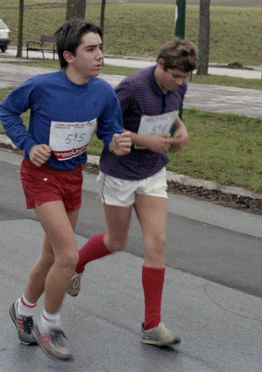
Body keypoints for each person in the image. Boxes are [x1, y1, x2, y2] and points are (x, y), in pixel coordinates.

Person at [0, 19, 132, 362]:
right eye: (91, 49)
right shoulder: (42, 86)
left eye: (100, 48)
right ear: (69, 56)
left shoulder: (103, 91)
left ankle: (23, 309)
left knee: (52, 255)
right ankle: (49, 325)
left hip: (73, 176)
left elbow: (110, 129)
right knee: (69, 256)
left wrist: (115, 142)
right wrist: (28, 144)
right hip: (41, 176)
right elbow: (7, 110)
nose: (100, 55)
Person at [67, 37, 198, 348]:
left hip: (152, 172)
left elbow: (172, 110)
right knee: (116, 242)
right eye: (175, 76)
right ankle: (75, 264)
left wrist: (180, 129)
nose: (179, 83)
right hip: (120, 172)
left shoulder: (178, 86)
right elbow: (103, 126)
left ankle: (151, 326)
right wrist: (144, 141)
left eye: (184, 78)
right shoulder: (132, 86)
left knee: (157, 242)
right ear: (160, 64)